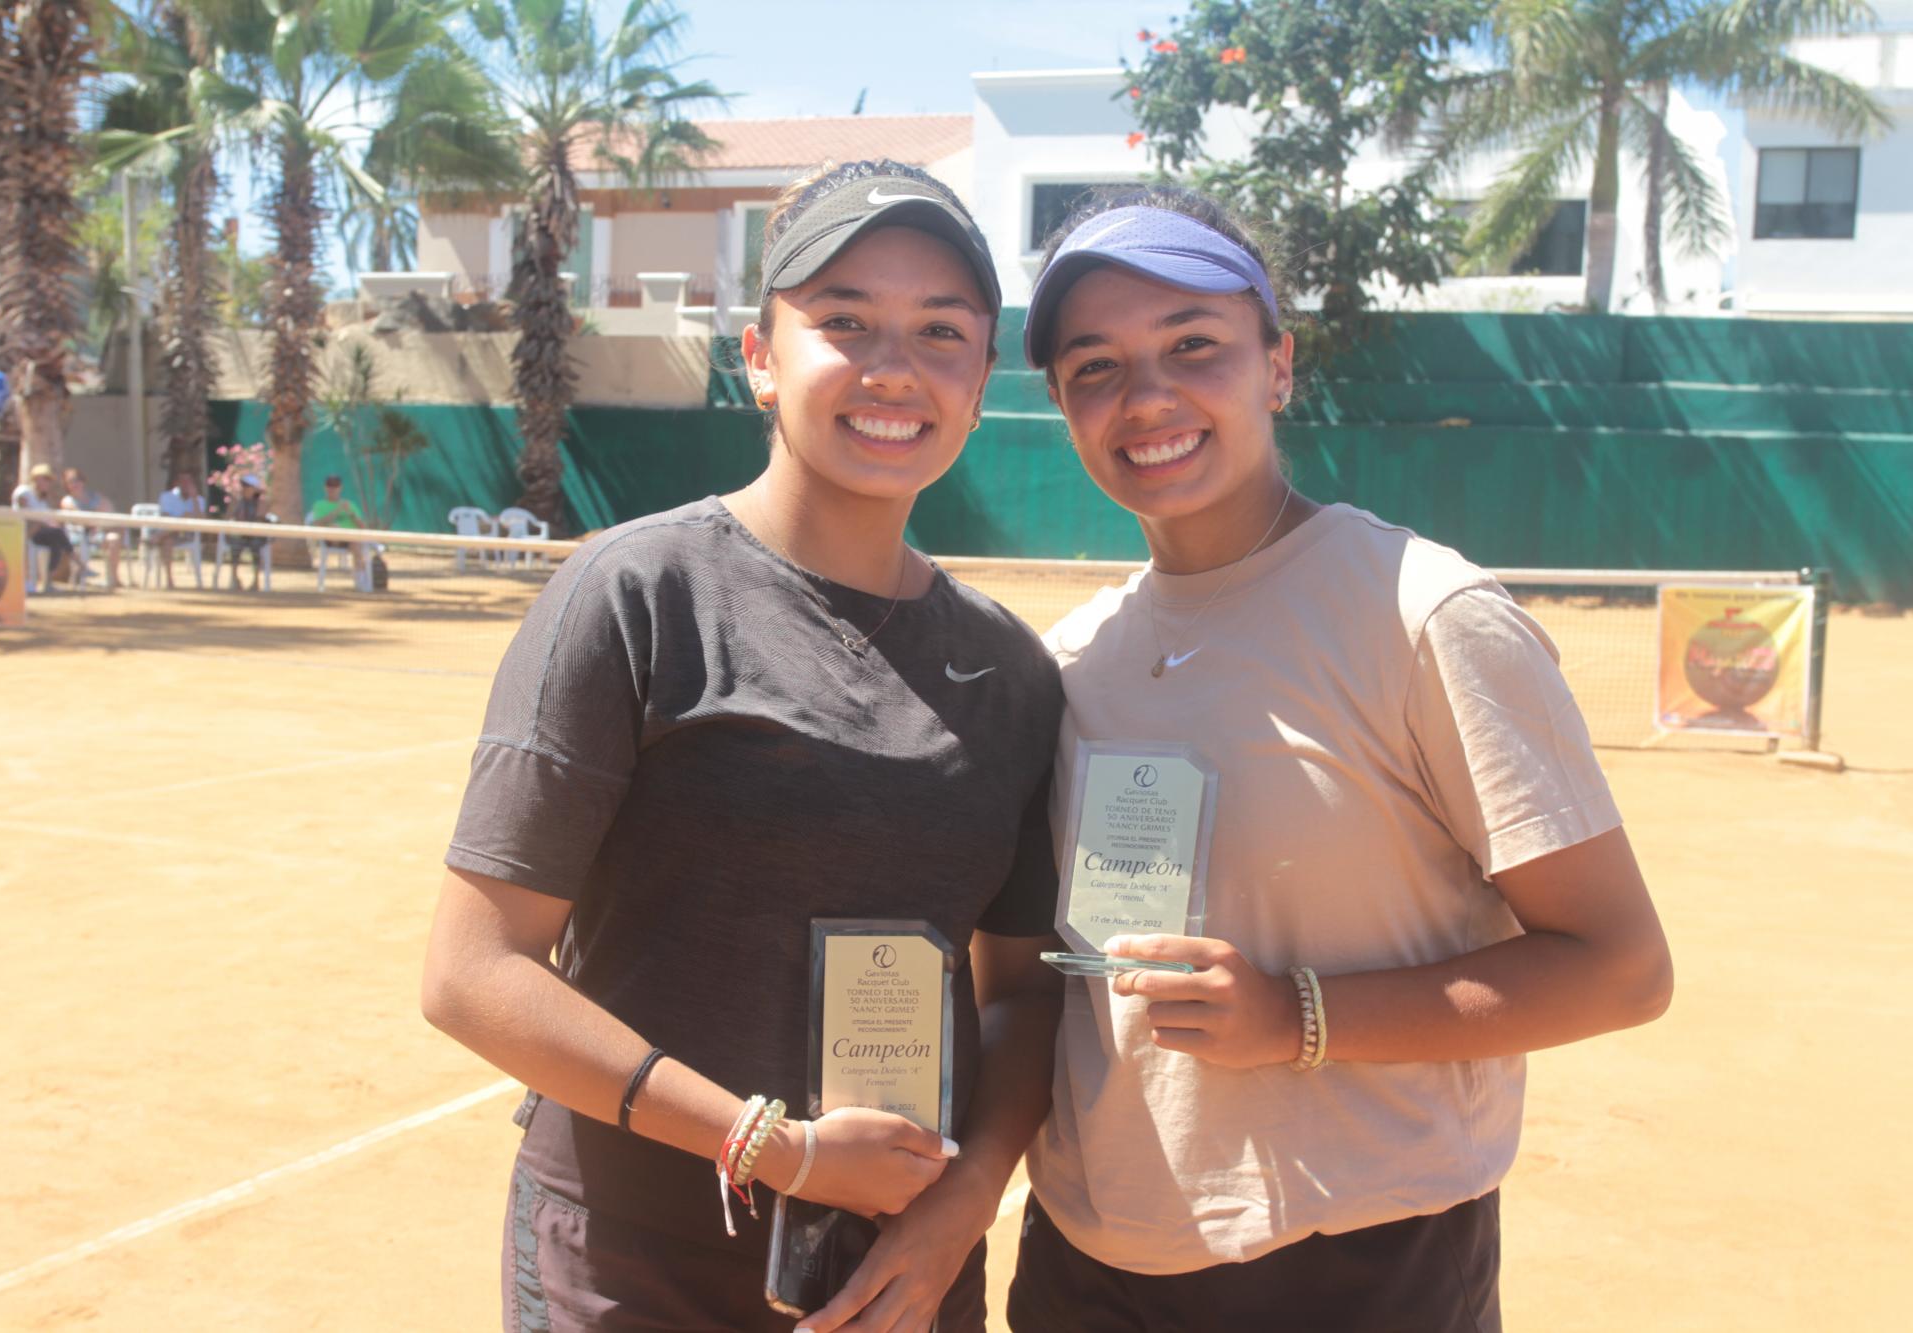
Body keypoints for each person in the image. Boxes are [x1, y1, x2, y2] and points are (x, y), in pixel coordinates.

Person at [1006, 187, 1675, 1331]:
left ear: (1278, 364)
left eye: (1192, 346)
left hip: (1354, 1265)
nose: (1147, 396)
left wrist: (1297, 1017)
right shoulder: (1071, 660)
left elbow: (1619, 967)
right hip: (1088, 1259)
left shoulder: (1423, 613)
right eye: (1095, 368)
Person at [421, 159, 1065, 1333]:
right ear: (759, 357)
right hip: (629, 1263)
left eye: (940, 332)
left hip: (895, 1270)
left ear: (979, 381)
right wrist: (775, 1150)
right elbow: (473, 973)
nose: (893, 368)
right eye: (844, 321)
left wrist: (956, 1211)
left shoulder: (1011, 674)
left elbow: (1018, 994)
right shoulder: (635, 592)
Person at [60, 466, 129, 591]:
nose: (75, 484)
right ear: (66, 485)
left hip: (98, 532)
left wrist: (96, 522)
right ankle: (79, 575)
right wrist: (95, 519)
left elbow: (109, 509)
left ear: (83, 481)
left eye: (77, 480)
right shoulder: (67, 500)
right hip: (79, 535)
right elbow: (80, 518)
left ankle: (113, 579)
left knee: (114, 538)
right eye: (71, 481)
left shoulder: (94, 496)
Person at [11, 463, 79, 587]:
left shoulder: (42, 501)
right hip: (24, 532)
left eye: (49, 480)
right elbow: (24, 512)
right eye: (45, 479)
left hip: (38, 533)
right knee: (56, 534)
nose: (48, 483)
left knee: (56, 540)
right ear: (36, 478)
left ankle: (48, 581)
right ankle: (77, 561)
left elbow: (46, 520)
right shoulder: (24, 491)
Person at [155, 469, 207, 588]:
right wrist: (182, 520)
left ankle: (156, 537)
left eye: (188, 481)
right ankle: (169, 579)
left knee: (185, 517)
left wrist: (194, 500)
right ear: (176, 483)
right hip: (171, 534)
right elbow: (165, 517)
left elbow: (203, 522)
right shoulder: (167, 497)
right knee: (167, 541)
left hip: (190, 534)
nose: (186, 484)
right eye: (183, 481)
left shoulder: (199, 500)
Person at [220, 472, 269, 590]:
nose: (245, 489)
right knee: (235, 544)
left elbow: (261, 519)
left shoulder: (261, 502)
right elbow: (228, 518)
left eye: (248, 486)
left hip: (255, 535)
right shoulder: (237, 501)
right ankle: (234, 578)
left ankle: (256, 581)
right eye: (244, 486)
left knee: (256, 546)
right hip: (239, 535)